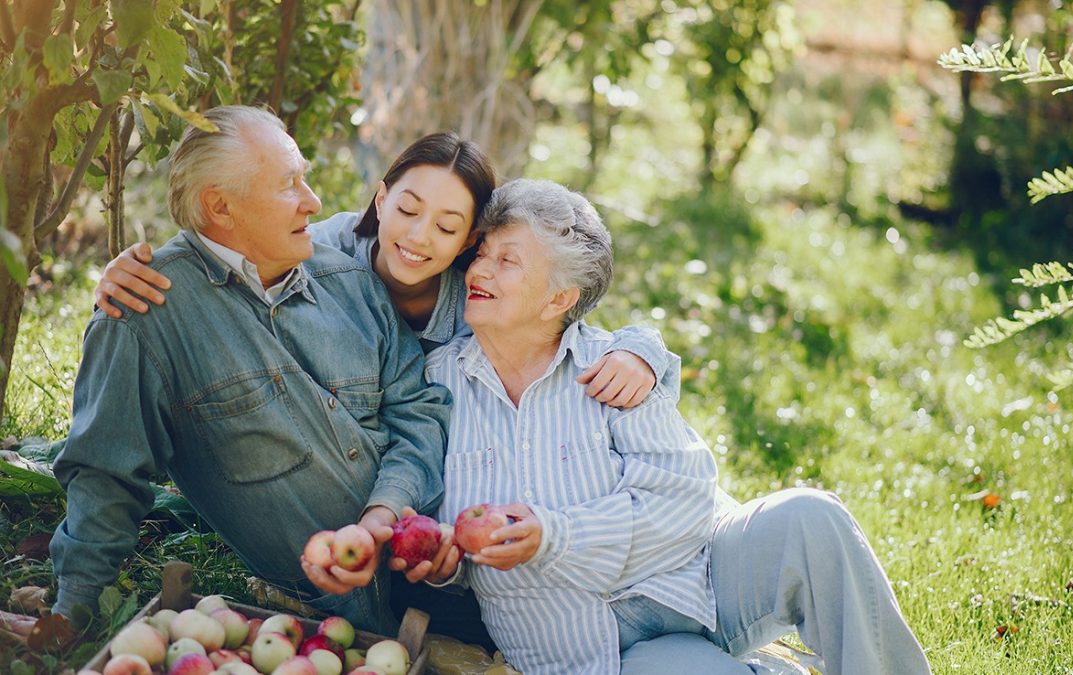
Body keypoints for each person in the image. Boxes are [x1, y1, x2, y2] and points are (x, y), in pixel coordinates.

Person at [84, 123, 675, 646]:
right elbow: (229, 246)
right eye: (408, 210)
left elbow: (565, 317)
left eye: (447, 227)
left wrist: (644, 350)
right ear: (380, 198)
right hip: (384, 532)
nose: (418, 238)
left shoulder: (480, 292)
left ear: (470, 240)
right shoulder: (330, 254)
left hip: (468, 508)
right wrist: (128, 275)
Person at [389, 179, 934, 674]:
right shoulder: (436, 385)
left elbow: (684, 501)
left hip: (697, 583)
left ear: (559, 299)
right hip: (579, 646)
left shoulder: (611, 367)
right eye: (482, 254)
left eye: (507, 260)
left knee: (813, 518)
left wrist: (558, 534)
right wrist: (443, 563)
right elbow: (444, 533)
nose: (479, 271)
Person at [48, 105, 450, 635]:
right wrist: (71, 613)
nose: (314, 201)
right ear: (220, 205)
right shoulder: (148, 313)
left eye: (304, 178)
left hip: (443, 558)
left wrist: (386, 511)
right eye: (289, 185)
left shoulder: (351, 279)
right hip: (337, 618)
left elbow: (419, 412)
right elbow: (105, 477)